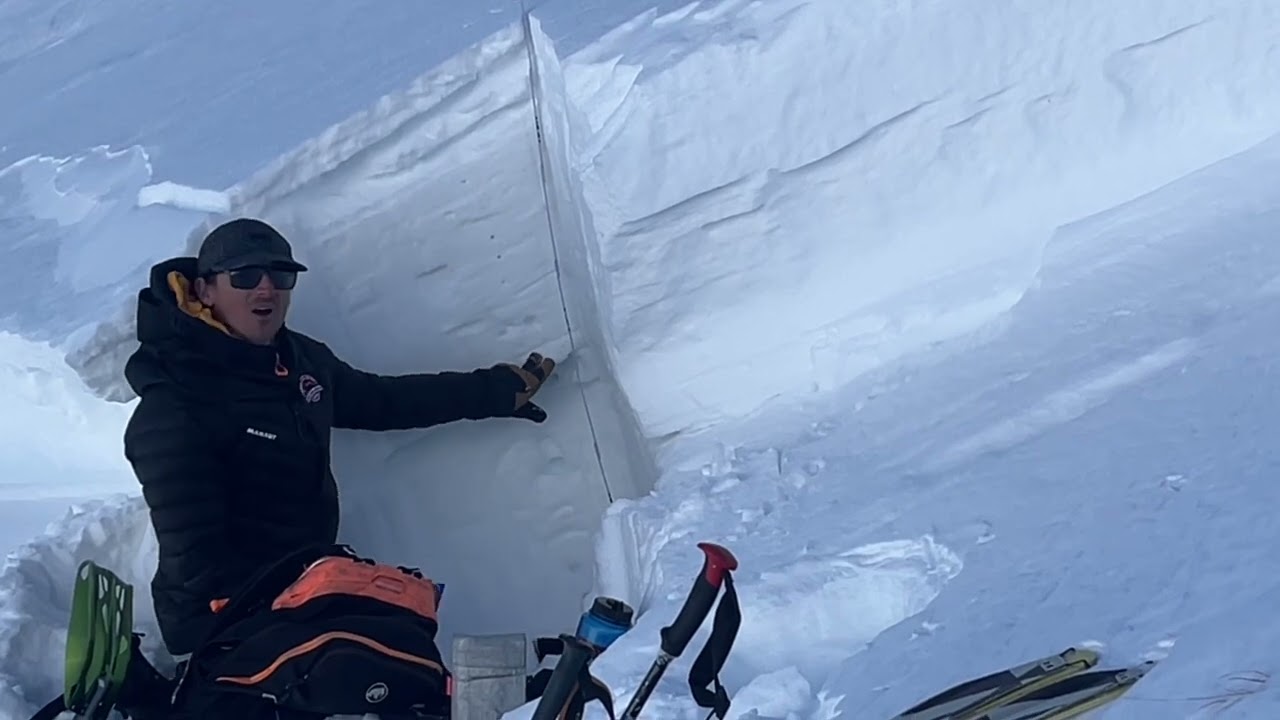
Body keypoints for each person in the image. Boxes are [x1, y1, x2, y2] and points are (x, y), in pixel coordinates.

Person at [113, 217, 556, 717]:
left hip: (310, 584)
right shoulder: (177, 404)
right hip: (227, 613)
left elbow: (384, 401)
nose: (266, 288)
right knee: (352, 669)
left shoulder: (299, 361)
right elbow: (191, 550)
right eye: (244, 276)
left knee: (399, 642)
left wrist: (493, 392)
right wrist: (231, 629)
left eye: (281, 276)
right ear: (205, 289)